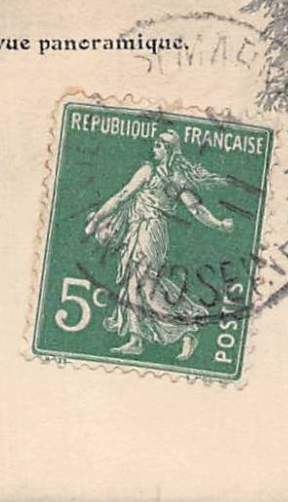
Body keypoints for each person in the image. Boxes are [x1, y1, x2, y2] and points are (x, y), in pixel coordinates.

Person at [83, 130, 235, 361]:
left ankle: (185, 330)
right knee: (139, 287)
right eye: (154, 145)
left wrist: (219, 224)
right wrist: (220, 225)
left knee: (140, 285)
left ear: (169, 150)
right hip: (137, 230)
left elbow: (194, 208)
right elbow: (125, 196)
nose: (154, 149)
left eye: (158, 146)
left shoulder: (164, 176)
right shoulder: (161, 175)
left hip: (151, 231)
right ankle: (141, 338)